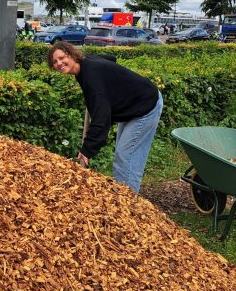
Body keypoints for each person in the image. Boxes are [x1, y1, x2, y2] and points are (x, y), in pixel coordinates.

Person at [46, 41, 163, 193]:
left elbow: (102, 118)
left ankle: (129, 204)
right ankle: (123, 198)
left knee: (126, 158)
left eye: (62, 58)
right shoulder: (85, 62)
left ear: (72, 54)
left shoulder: (91, 77)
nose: (59, 63)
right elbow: (110, 58)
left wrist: (87, 149)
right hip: (132, 107)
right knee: (123, 156)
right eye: (55, 62)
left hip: (145, 105)